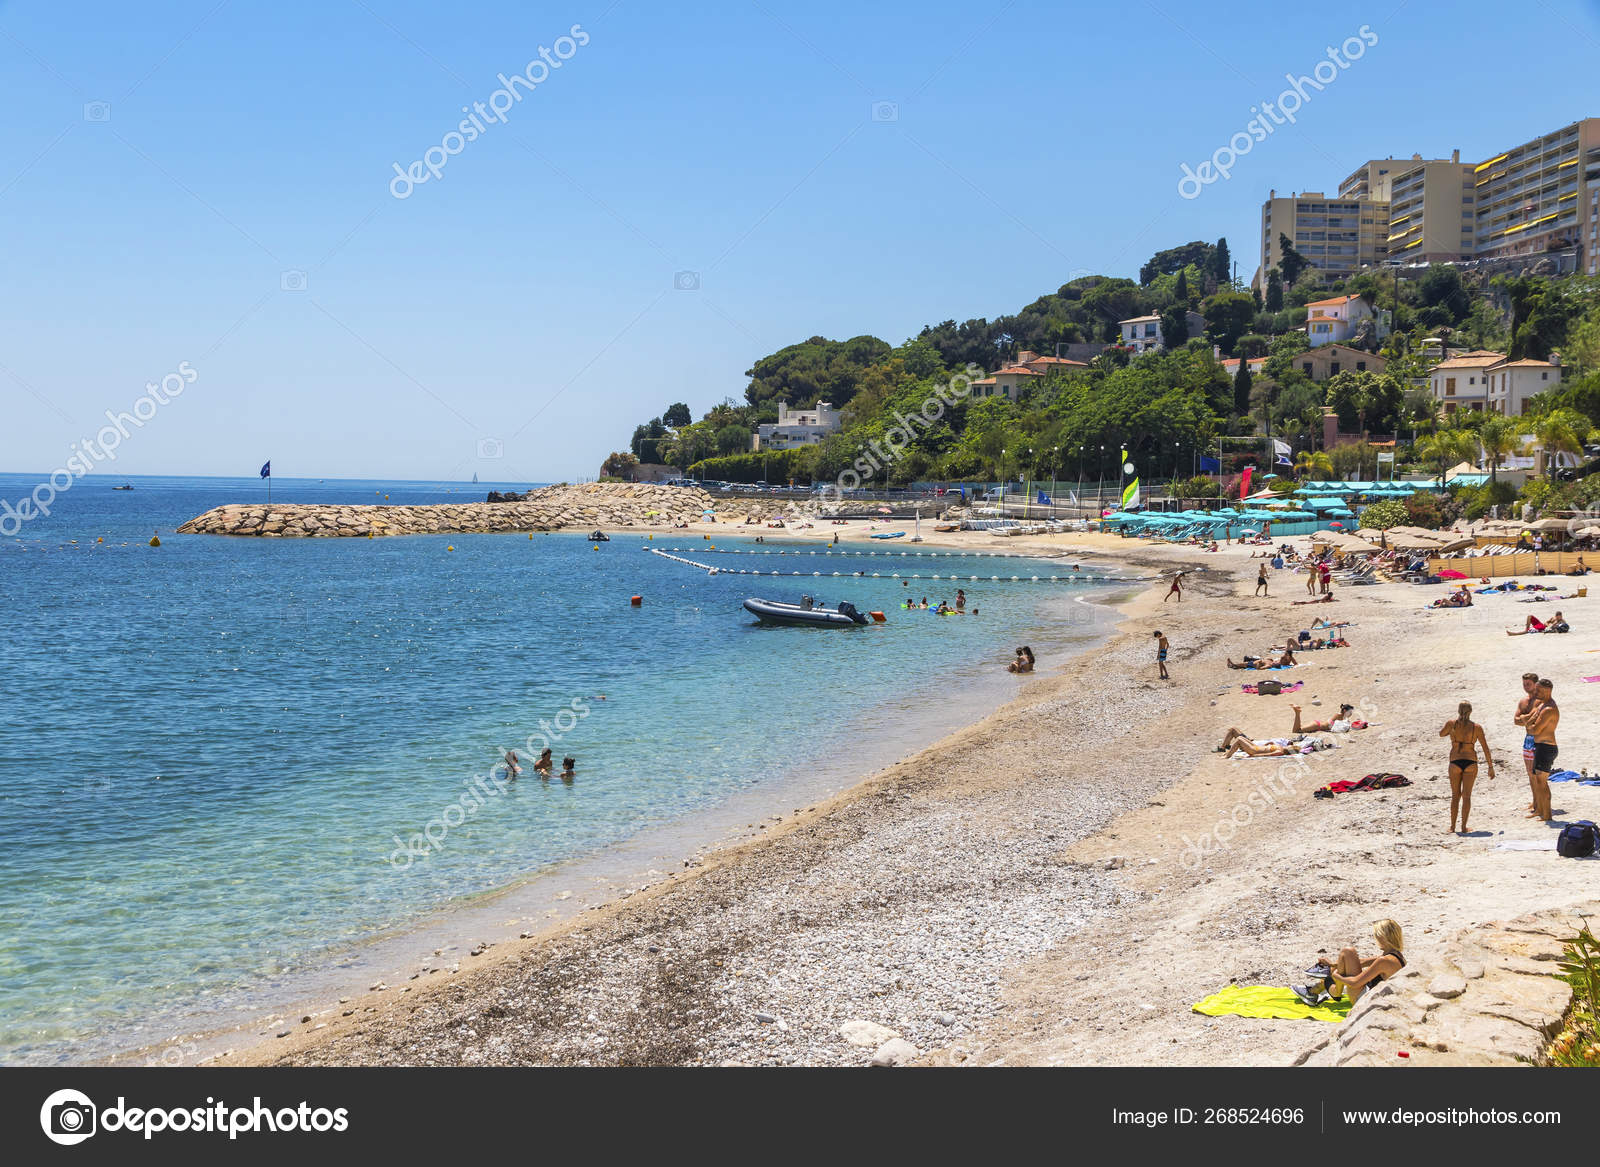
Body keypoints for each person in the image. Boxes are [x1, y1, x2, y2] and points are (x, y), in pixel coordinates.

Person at [1294, 920, 1406, 1007]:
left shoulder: (1384, 961)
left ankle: (1332, 991)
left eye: (1376, 935)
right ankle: (1316, 989)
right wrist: (1332, 964)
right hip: (1373, 995)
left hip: (1364, 1000)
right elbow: (1361, 962)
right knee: (1345, 956)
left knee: (1347, 952)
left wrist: (1336, 975)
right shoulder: (1396, 956)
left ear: (1383, 937)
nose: (1375, 937)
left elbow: (1355, 983)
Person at [1440, 701, 1494, 834]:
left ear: (1458, 710)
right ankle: (1463, 827)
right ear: (1471, 712)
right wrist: (1490, 766)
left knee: (1455, 795)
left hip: (1455, 761)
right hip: (1470, 762)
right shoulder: (1477, 728)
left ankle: (1452, 827)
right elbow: (1485, 748)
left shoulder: (1452, 724)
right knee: (1467, 796)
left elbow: (1441, 734)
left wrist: (1452, 729)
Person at [1526, 679, 1559, 821]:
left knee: (1542, 782)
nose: (1535, 692)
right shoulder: (1542, 706)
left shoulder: (1548, 710)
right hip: (1540, 746)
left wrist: (1529, 723)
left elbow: (1533, 729)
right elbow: (1529, 724)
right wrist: (1530, 723)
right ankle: (1540, 811)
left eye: (1538, 690)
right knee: (1538, 781)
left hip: (1547, 747)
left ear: (1547, 690)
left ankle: (1547, 815)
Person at [1216, 728, 1296, 757]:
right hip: (1254, 745)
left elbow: (1268, 754)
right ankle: (1226, 749)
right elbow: (1270, 745)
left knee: (1235, 734)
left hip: (1254, 748)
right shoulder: (1280, 747)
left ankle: (1226, 753)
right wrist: (1267, 744)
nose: (1290, 745)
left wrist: (1255, 755)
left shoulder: (1281, 751)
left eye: (1290, 746)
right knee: (1239, 736)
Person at [1290, 703, 1359, 734]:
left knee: (1299, 729)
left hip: (1318, 724)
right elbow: (1340, 726)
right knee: (1296, 730)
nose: (1351, 714)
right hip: (1317, 725)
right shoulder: (1339, 715)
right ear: (1344, 711)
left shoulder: (1341, 717)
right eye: (1350, 712)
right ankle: (1297, 712)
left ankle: (1297, 712)